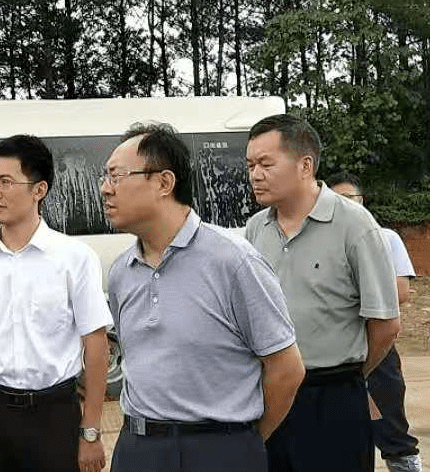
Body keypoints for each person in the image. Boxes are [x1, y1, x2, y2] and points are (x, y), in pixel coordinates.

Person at [103, 123, 304, 472]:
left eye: (116, 176)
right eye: (105, 178)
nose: (106, 189)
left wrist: (243, 440)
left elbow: (286, 368)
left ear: (164, 183)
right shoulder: (122, 271)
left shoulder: (234, 262)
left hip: (219, 450)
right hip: (138, 449)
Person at [0, 134, 112, 472]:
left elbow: (95, 345)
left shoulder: (74, 258)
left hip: (53, 414)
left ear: (39, 190)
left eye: (6, 182)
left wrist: (90, 432)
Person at [244, 114, 400, 472]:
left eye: (266, 163)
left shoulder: (355, 226)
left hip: (332, 397)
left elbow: (386, 325)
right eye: (251, 164)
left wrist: (350, 377)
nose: (255, 174)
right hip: (270, 392)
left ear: (305, 165)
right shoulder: (256, 229)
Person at [327, 172, 423, 472]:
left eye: (349, 200)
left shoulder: (385, 237)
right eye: (335, 201)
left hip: (377, 348)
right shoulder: (322, 242)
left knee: (392, 430)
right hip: (333, 353)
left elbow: (400, 292)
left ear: (362, 201)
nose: (344, 207)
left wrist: (346, 298)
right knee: (341, 436)